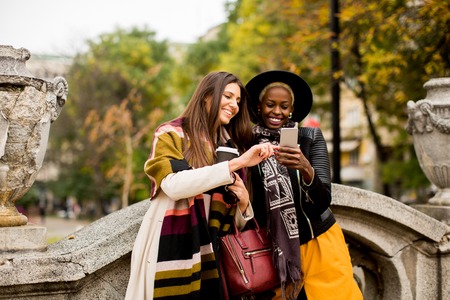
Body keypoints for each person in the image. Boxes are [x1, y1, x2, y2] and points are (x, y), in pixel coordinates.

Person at [125, 71, 274, 300]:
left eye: (237, 101)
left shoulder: (229, 146)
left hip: (215, 254)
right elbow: (173, 185)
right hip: (173, 245)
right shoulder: (171, 134)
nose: (234, 105)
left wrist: (244, 202)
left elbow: (235, 219)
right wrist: (236, 164)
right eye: (227, 96)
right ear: (206, 96)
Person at [245, 70, 363, 300]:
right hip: (272, 249)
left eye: (284, 106)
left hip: (319, 241)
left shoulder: (309, 137)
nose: (277, 111)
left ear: (291, 109)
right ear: (259, 106)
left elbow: (321, 201)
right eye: (270, 104)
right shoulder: (246, 143)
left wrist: (306, 168)